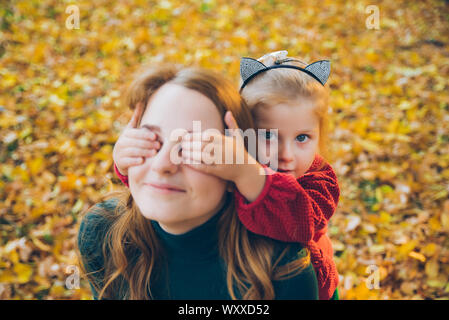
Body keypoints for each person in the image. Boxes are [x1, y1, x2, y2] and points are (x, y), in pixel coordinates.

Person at [77, 65, 319, 300]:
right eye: (150, 140)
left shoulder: (284, 272)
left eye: (195, 149)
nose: (162, 164)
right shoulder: (102, 234)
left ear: (236, 168)